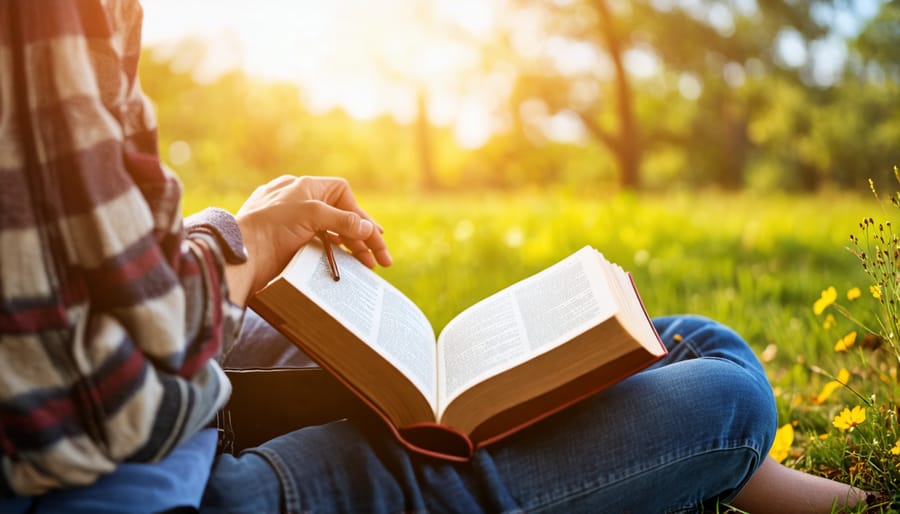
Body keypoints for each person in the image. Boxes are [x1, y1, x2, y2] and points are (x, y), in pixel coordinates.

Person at [0, 1, 879, 512]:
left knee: (676, 340)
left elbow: (73, 280)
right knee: (725, 393)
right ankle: (724, 463)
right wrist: (252, 242)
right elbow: (99, 399)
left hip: (157, 404)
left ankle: (706, 460)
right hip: (130, 482)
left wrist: (244, 232)